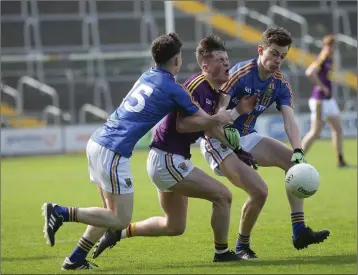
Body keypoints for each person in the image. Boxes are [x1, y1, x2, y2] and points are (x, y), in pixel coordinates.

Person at [41, 32, 233, 270]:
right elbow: (204, 121)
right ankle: (60, 212)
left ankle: (75, 258)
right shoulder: (173, 89)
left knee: (109, 213)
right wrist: (222, 114)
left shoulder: (147, 75)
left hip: (98, 141)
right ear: (176, 61)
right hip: (114, 149)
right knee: (120, 219)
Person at [91, 35, 259, 262]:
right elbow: (183, 125)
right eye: (221, 59)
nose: (227, 63)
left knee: (174, 226)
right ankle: (221, 253)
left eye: (227, 58)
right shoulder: (196, 86)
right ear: (205, 66)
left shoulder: (213, 92)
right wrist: (228, 118)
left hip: (168, 160)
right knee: (223, 196)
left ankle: (119, 232)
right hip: (167, 159)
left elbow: (210, 126)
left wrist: (237, 147)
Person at [200, 27, 330, 253]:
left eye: (283, 56)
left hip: (247, 137)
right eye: (273, 53)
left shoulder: (280, 84)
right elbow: (218, 116)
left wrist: (298, 149)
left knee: (295, 163)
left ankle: (299, 230)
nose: (278, 60)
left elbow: (290, 121)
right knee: (260, 191)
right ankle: (242, 246)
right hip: (219, 140)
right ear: (261, 50)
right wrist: (234, 141)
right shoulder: (241, 73)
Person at [302, 34, 349, 167]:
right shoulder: (322, 58)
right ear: (326, 46)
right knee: (315, 132)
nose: (333, 49)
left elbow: (325, 75)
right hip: (320, 100)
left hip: (329, 100)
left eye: (334, 47)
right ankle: (297, 158)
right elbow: (309, 72)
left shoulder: (329, 59)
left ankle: (340, 159)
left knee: (338, 129)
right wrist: (322, 86)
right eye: (331, 47)